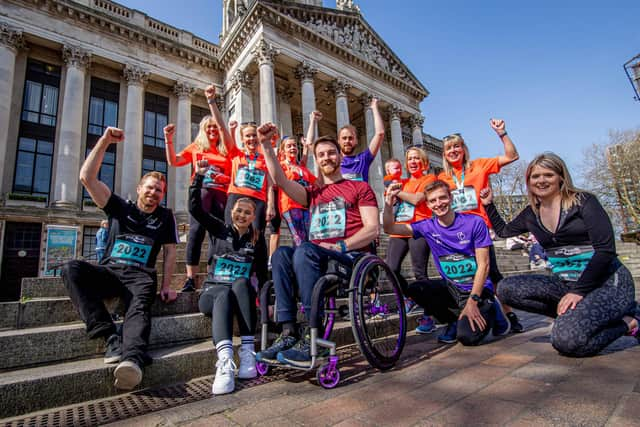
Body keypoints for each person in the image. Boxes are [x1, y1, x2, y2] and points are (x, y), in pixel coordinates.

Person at [480, 153, 639, 357]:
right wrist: (488, 204)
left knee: (565, 341)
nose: (541, 181)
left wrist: (579, 291)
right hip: (566, 284)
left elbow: (606, 251)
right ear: (529, 181)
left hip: (607, 283)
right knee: (506, 289)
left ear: (561, 177)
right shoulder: (531, 213)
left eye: (548, 175)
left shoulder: (583, 201)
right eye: (535, 176)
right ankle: (574, 316)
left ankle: (630, 322)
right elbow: (503, 231)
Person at [62, 126, 179, 390]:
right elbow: (86, 177)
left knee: (138, 310)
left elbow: (171, 251)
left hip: (141, 277)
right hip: (111, 272)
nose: (154, 193)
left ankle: (132, 360)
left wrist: (167, 285)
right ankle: (108, 335)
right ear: (139, 189)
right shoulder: (119, 206)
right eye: (150, 188)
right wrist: (104, 141)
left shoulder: (165, 216)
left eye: (159, 191)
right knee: (71, 269)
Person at [255, 123, 379, 367]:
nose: (327, 158)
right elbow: (279, 178)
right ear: (316, 159)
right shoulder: (312, 192)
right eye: (321, 154)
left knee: (305, 250)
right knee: (280, 254)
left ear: (341, 156)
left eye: (331, 152)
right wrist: (267, 145)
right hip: (315, 259)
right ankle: (289, 331)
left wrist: (342, 246)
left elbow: (373, 228)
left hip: (348, 259)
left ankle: (315, 334)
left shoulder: (360, 188)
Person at [383, 180, 511, 345]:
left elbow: (484, 265)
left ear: (451, 198)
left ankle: (492, 309)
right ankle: (453, 320)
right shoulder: (426, 226)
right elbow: (389, 228)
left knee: (467, 338)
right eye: (433, 201)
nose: (438, 204)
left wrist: (473, 300)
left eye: (442, 198)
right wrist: (388, 202)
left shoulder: (475, 222)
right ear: (428, 205)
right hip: (451, 288)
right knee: (416, 289)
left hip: (477, 290)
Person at [189, 160, 267, 395]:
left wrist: (267, 304)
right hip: (212, 294)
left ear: (253, 216)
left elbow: (262, 275)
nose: (242, 215)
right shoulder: (218, 229)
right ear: (231, 212)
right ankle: (224, 360)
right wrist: (198, 179)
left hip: (241, 296)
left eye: (247, 213)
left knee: (242, 282)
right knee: (224, 290)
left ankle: (246, 352)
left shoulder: (257, 240)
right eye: (239, 211)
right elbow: (195, 209)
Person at [438, 120, 524, 333]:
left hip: (479, 228)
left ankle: (510, 315)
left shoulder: (479, 165)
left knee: (492, 273)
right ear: (444, 154)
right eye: (449, 148)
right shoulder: (442, 177)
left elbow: (512, 156)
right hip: (455, 232)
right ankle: (483, 311)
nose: (453, 151)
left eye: (457, 146)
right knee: (467, 274)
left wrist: (502, 133)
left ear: (464, 149)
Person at [164, 85, 235, 292]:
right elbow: (174, 161)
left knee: (218, 235)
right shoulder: (196, 148)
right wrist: (168, 140)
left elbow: (232, 174)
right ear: (203, 131)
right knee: (196, 232)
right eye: (209, 128)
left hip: (221, 194)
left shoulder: (225, 151)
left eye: (215, 127)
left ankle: (215, 274)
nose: (213, 130)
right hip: (201, 191)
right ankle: (190, 278)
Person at [384, 147, 437, 334]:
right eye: (410, 159)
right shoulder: (403, 182)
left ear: (424, 163)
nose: (413, 162)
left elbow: (416, 199)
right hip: (399, 229)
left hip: (419, 228)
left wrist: (395, 192)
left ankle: (429, 316)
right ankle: (410, 296)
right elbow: (389, 201)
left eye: (417, 158)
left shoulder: (429, 180)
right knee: (390, 269)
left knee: (419, 273)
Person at [224, 123, 274, 234]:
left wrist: (271, 205)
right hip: (236, 197)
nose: (252, 138)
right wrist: (232, 130)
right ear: (242, 139)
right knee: (230, 233)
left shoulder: (265, 158)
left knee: (256, 236)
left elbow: (270, 185)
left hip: (258, 200)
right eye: (248, 136)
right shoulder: (236, 154)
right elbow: (225, 134)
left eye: (254, 135)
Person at [322, 97, 383, 182]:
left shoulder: (363, 159)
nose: (347, 141)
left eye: (350, 138)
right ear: (338, 141)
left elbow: (380, 133)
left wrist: (374, 108)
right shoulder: (332, 162)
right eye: (344, 138)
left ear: (356, 141)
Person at [276, 135, 316, 246]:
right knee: (299, 238)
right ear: (283, 151)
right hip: (290, 206)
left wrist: (306, 147)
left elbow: (317, 183)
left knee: (308, 238)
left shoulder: (301, 168)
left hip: (306, 206)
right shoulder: (281, 166)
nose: (292, 148)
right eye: (289, 146)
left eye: (294, 145)